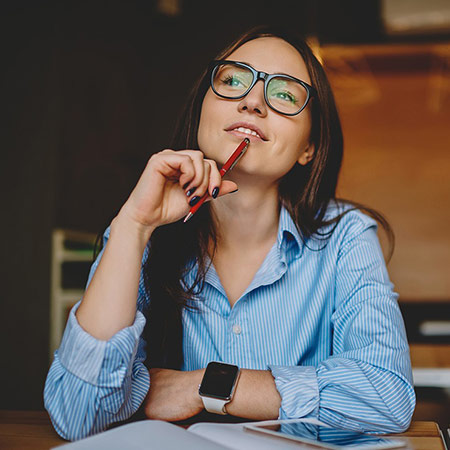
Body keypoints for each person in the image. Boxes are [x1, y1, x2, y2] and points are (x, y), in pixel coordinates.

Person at [44, 25, 416, 441]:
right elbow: (77, 414)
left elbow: (386, 396)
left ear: (309, 147)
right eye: (233, 80)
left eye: (285, 94)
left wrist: (206, 386)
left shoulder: (346, 236)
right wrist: (134, 225)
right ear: (202, 110)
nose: (252, 101)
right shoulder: (144, 228)